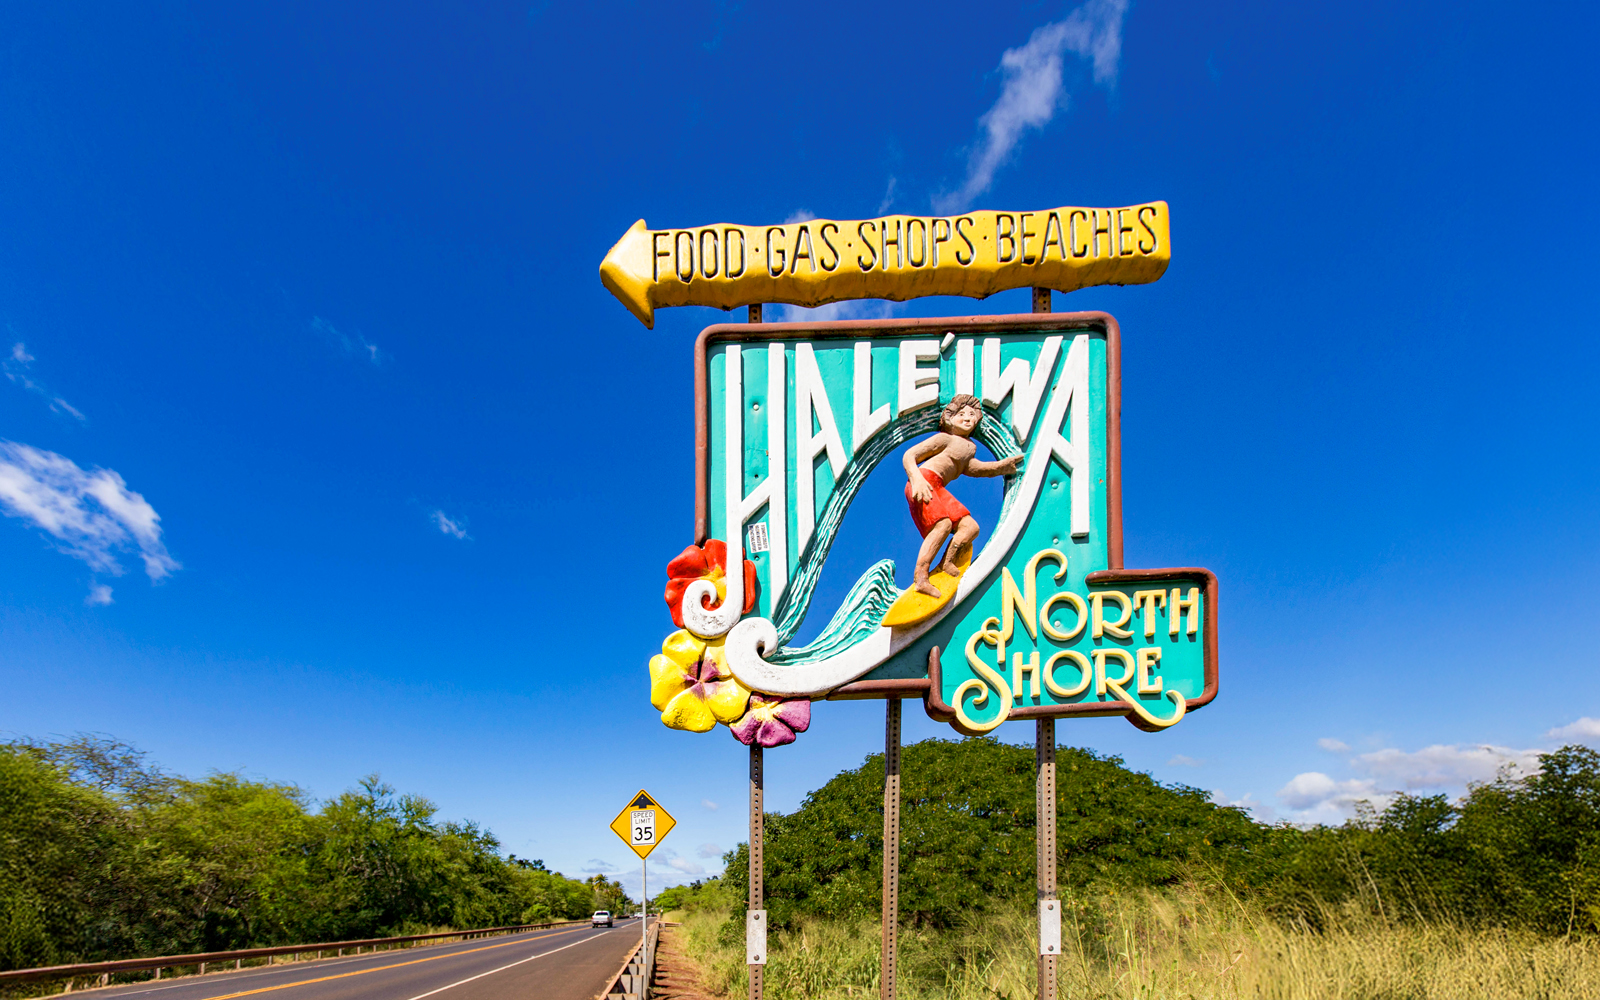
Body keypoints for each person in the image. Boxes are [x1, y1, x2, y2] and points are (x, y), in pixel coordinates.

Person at [901, 393, 1022, 598]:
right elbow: (910, 455)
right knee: (943, 524)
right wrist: (916, 479)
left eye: (972, 415)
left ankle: (947, 562)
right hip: (923, 480)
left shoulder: (968, 448)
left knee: (970, 527)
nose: (968, 418)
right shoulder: (944, 438)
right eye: (962, 414)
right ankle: (920, 578)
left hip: (939, 487)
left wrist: (1002, 466)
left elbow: (976, 468)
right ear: (950, 418)